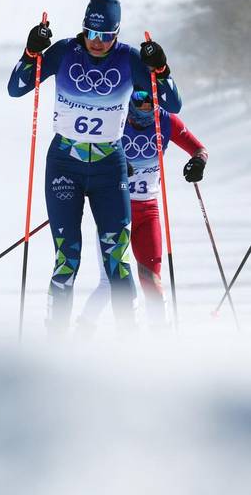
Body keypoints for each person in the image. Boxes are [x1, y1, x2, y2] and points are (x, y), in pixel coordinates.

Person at [7, 0, 183, 336]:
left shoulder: (130, 59)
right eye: (91, 33)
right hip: (65, 164)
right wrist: (31, 53)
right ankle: (56, 340)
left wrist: (161, 69)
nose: (97, 42)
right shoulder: (64, 52)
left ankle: (128, 342)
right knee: (67, 258)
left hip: (108, 167)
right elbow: (16, 88)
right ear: (83, 28)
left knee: (117, 258)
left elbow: (172, 103)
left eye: (106, 36)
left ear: (117, 34)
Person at [77, 91, 207, 334]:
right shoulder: (114, 117)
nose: (146, 103)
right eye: (139, 97)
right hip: (115, 209)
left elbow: (200, 149)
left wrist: (198, 163)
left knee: (151, 280)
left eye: (151, 98)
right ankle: (87, 331)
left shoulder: (166, 121)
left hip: (148, 210)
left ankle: (162, 340)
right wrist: (110, 166)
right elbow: (86, 153)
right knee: (111, 283)